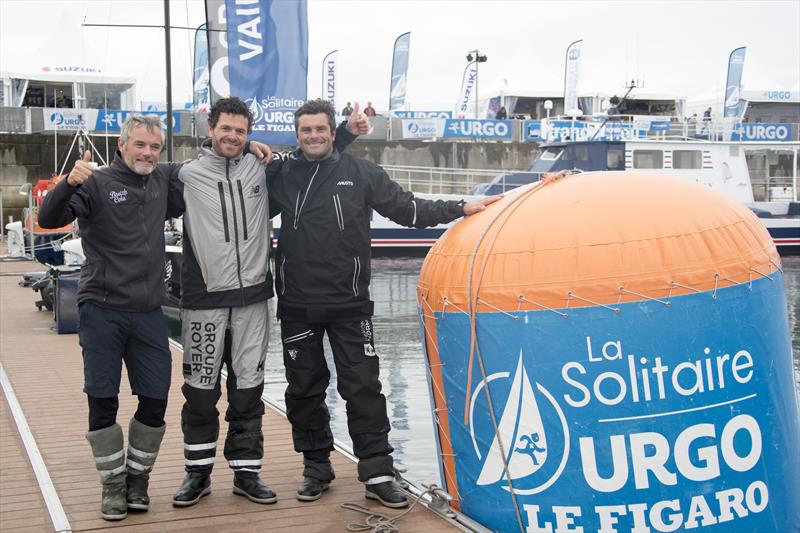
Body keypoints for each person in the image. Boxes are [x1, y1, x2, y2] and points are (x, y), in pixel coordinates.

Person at [266, 99, 500, 509]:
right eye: (306, 131)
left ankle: (376, 472)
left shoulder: (361, 173)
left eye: (320, 130)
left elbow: (407, 209)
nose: (314, 137)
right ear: (297, 134)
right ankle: (316, 467)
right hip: (297, 305)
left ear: (331, 131)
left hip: (350, 305)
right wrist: (253, 150)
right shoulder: (281, 174)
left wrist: (459, 208)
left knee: (364, 390)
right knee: (304, 390)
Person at [170, 97, 370, 508]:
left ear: (249, 135)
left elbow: (315, 161)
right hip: (204, 302)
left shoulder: (265, 168)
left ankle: (246, 473)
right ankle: (198, 475)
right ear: (211, 128)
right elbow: (137, 187)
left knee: (248, 391)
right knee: (200, 392)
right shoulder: (184, 176)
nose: (232, 136)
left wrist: (346, 132)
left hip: (253, 302)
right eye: (225, 128)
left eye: (241, 131)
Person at [37, 116, 183, 521]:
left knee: (155, 400)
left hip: (149, 312)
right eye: (140, 145)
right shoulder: (97, 183)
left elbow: (214, 162)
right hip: (101, 308)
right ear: (122, 146)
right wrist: (67, 182)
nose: (148, 153)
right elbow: (49, 220)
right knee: (103, 400)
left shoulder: (162, 179)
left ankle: (138, 479)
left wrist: (260, 152)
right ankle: (113, 487)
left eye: (154, 147)